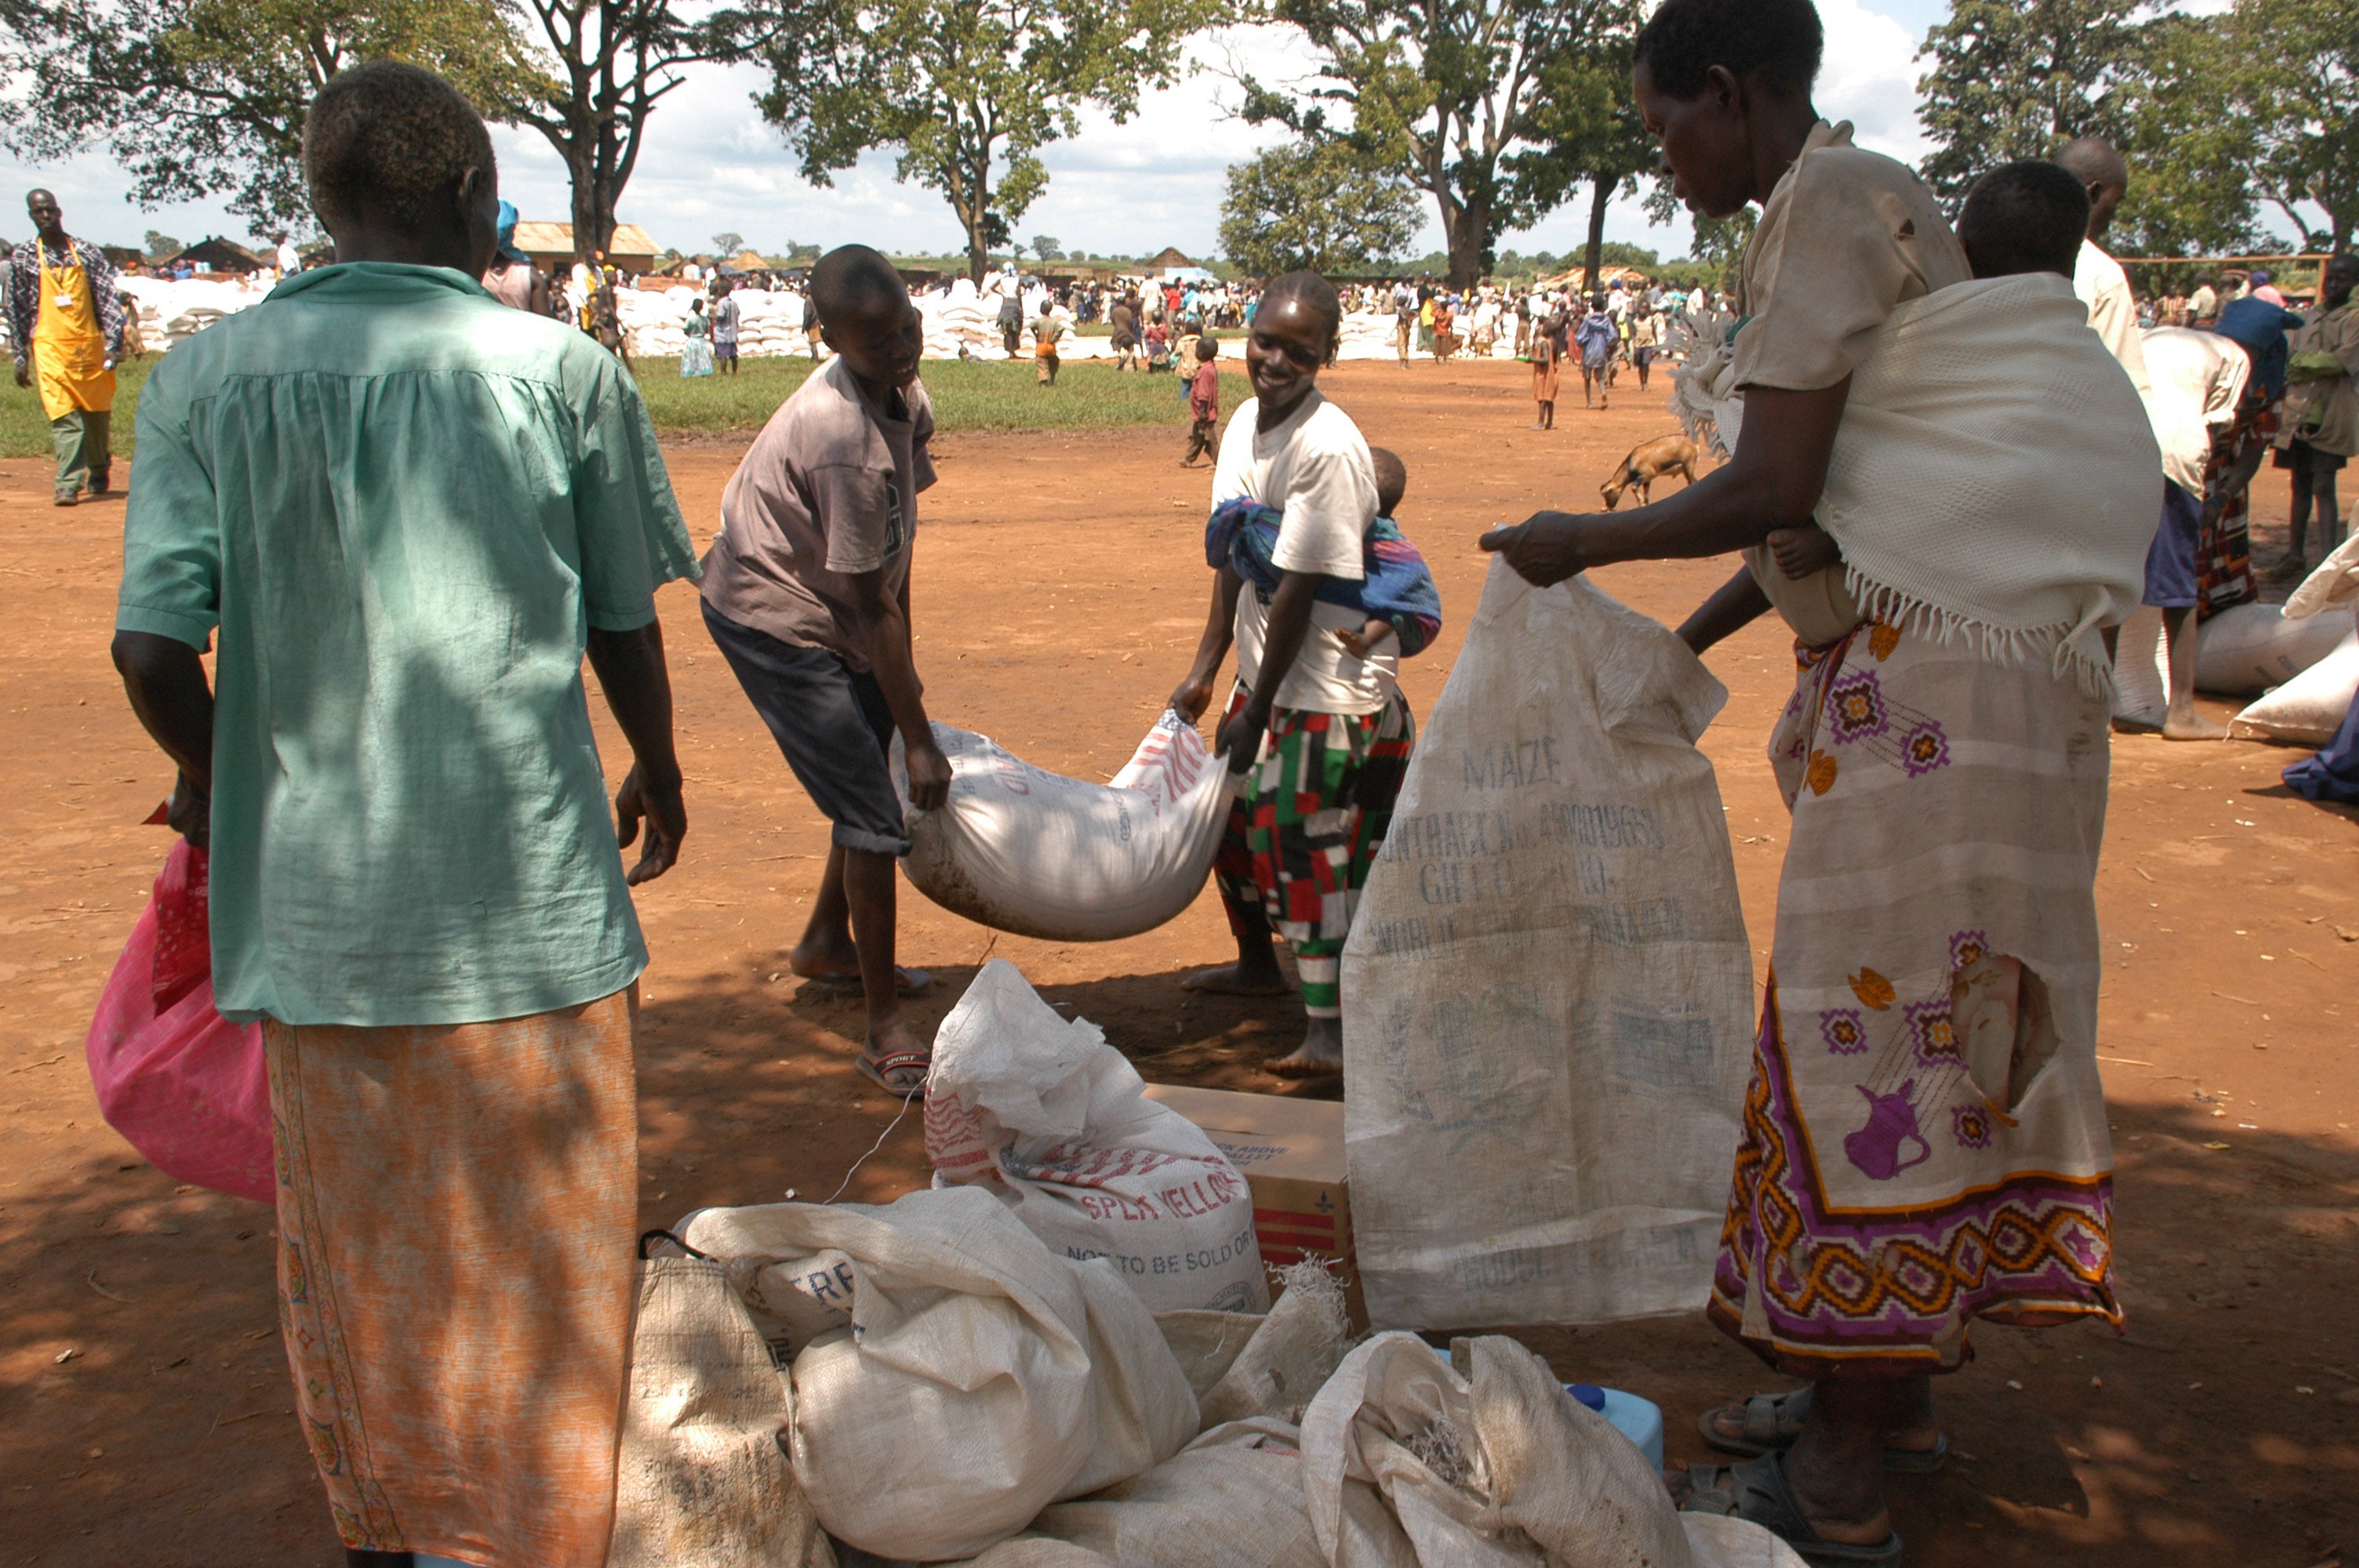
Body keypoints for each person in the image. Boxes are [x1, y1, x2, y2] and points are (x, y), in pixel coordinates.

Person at [1485, 1, 2149, 1556]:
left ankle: (1845, 1473)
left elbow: (1778, 485)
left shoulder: (1833, 204)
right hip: (1972, 692)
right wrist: (1684, 633)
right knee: (1914, 1013)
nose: (1664, 165)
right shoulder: (1862, 205)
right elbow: (1840, 512)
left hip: (1946, 703)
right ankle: (1881, 1397)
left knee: (1882, 1024)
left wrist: (1579, 542)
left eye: (1664, 130)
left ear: (1727, 92)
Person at [110, 61, 696, 1568]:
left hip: (320, 917)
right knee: (551, 1270)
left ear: (321, 198)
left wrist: (236, 775)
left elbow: (150, 651)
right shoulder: (561, 374)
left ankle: (391, 1527)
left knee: (365, 1266)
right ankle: (535, 1535)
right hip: (533, 909)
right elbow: (624, 620)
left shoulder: (201, 382)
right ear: (470, 199)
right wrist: (660, 761)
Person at [698, 244, 949, 1097]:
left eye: (907, 326)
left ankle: (824, 943)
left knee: (865, 773)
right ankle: (884, 1025)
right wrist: (916, 736)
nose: (902, 349)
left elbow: (896, 558)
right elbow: (866, 597)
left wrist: (900, 693)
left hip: (838, 604)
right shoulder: (841, 438)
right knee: (875, 808)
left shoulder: (903, 397)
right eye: (877, 342)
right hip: (770, 613)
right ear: (830, 341)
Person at [1169, 271, 1416, 1077]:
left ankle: (1332, 1032)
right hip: (1267, 675)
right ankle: (1255, 965)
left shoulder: (1327, 447)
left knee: (1294, 834)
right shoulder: (1242, 422)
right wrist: (1209, 671)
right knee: (1227, 822)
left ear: (1324, 356)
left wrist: (1258, 704)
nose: (1274, 360)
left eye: (1297, 351)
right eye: (1265, 340)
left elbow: (1299, 593)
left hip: (1329, 692)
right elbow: (1233, 555)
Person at [10, 189, 125, 506]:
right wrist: (21, 356)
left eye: (49, 210)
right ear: (31, 216)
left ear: (59, 212)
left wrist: (113, 344)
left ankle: (100, 467)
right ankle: (68, 483)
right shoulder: (24, 258)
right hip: (49, 347)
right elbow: (17, 307)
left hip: (89, 346)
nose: (45, 216)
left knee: (96, 416)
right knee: (64, 416)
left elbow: (107, 298)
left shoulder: (86, 252)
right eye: (38, 212)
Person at [2270, 253, 2357, 579]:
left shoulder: (2354, 320)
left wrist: (2302, 363)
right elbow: (2289, 351)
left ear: (2354, 283)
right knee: (2299, 483)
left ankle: (2327, 560)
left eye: (2342, 278)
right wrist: (2301, 362)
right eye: (2330, 277)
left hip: (2332, 414)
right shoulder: (2307, 318)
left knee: (2324, 483)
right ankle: (2294, 555)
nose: (2333, 283)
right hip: (2298, 413)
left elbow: (2342, 361)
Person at [1182, 334, 1220, 465]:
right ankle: (1188, 459)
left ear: (1202, 353)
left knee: (1210, 439)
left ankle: (1219, 462)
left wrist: (1202, 411)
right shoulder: (1209, 368)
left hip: (1204, 413)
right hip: (1202, 413)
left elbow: (1204, 394)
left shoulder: (1205, 372)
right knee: (1197, 437)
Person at [1573, 294, 1616, 409]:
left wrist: (1586, 342)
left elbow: (1580, 337)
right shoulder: (1606, 320)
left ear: (1592, 306)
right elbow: (1613, 336)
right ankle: (1603, 392)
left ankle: (1589, 403)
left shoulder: (1588, 320)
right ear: (1603, 306)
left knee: (1587, 378)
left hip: (1588, 352)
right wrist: (1606, 342)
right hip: (1601, 351)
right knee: (1600, 377)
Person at [1529, 318, 1559, 428]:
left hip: (1544, 374)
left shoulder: (1544, 343)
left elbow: (1546, 359)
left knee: (1542, 399)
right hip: (1552, 373)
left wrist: (1532, 360)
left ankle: (1541, 422)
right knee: (1549, 399)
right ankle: (1549, 422)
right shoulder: (1553, 342)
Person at [710, 276, 740, 375]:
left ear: (722, 290)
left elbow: (720, 317)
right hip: (733, 332)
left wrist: (711, 316)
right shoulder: (733, 303)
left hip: (723, 332)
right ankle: (734, 371)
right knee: (733, 354)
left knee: (723, 354)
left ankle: (723, 372)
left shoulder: (721, 303)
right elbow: (738, 313)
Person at [681, 295, 714, 376]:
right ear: (702, 308)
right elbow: (707, 330)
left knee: (691, 358)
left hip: (692, 340)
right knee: (702, 358)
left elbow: (686, 329)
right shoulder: (705, 319)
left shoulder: (691, 319)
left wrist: (689, 334)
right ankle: (703, 372)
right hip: (702, 341)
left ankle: (691, 372)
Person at [1033, 301, 1064, 385]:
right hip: (1051, 346)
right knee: (1053, 361)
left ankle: (1043, 381)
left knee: (1041, 363)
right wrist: (1054, 339)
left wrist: (1036, 335)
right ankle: (1052, 378)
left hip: (1041, 346)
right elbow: (1061, 328)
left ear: (1040, 309)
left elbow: (1031, 326)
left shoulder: (1038, 321)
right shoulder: (1054, 322)